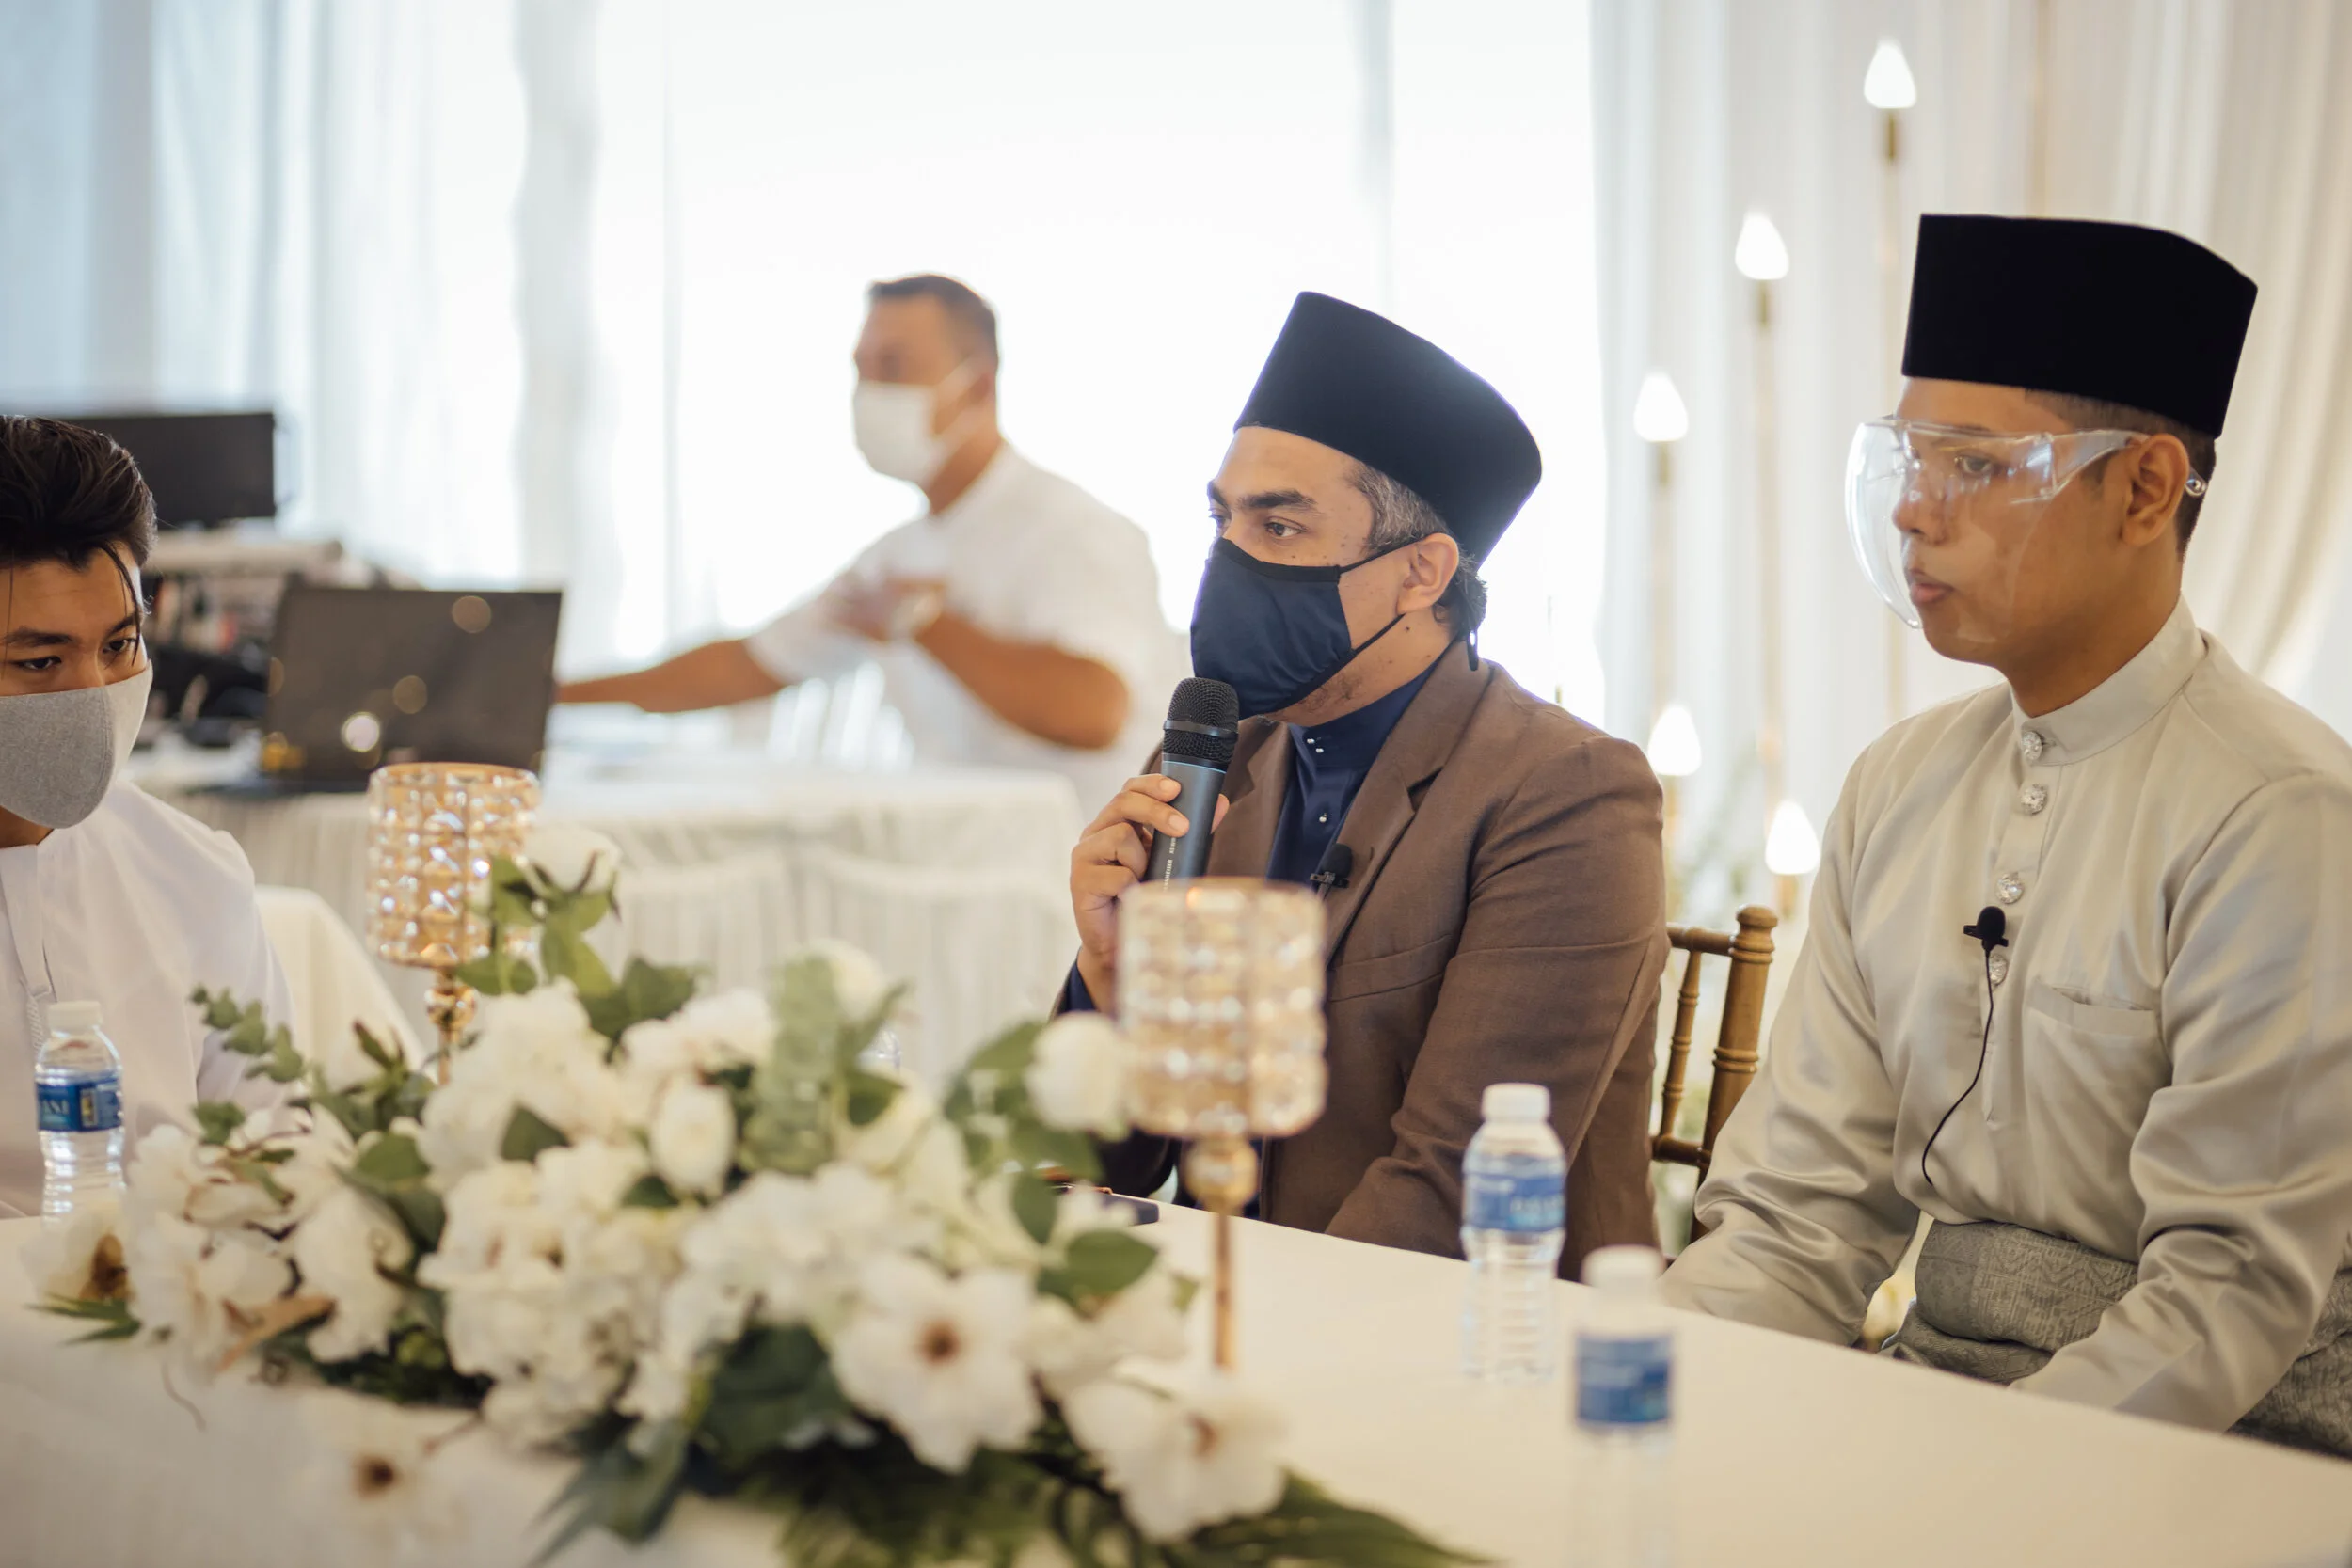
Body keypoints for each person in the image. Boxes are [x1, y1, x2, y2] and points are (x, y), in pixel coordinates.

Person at [1662, 215, 2352, 1452]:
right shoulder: (1900, 782)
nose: (1914, 512)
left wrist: (1990, 1486)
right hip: (1936, 1400)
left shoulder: (2282, 812)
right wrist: (1639, 1390)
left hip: (2232, 1451)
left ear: (2143, 489)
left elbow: (2228, 1292)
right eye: (1909, 458)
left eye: (1974, 467)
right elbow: (1800, 1217)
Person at [1070, 293, 1668, 1275]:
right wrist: (1110, 981)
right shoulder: (1213, 761)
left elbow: (1450, 1191)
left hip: (1471, 1332)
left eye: (1280, 526)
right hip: (1230, 1312)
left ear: (1422, 572)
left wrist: (1246, 1332)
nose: (1229, 563)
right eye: (1223, 520)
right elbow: (1103, 1168)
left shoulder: (1567, 792)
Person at [560, 274, 1171, 808]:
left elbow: (1095, 710)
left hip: (1095, 871)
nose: (869, 392)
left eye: (894, 368)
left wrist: (925, 622)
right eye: (862, 369)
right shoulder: (898, 555)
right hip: (975, 858)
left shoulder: (1073, 529)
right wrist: (551, 692)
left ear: (978, 387)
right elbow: (747, 666)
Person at [0, 417, 291, 1216]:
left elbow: (276, 1156)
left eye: (119, 645)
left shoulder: (193, 873)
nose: (93, 694)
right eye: (39, 660)